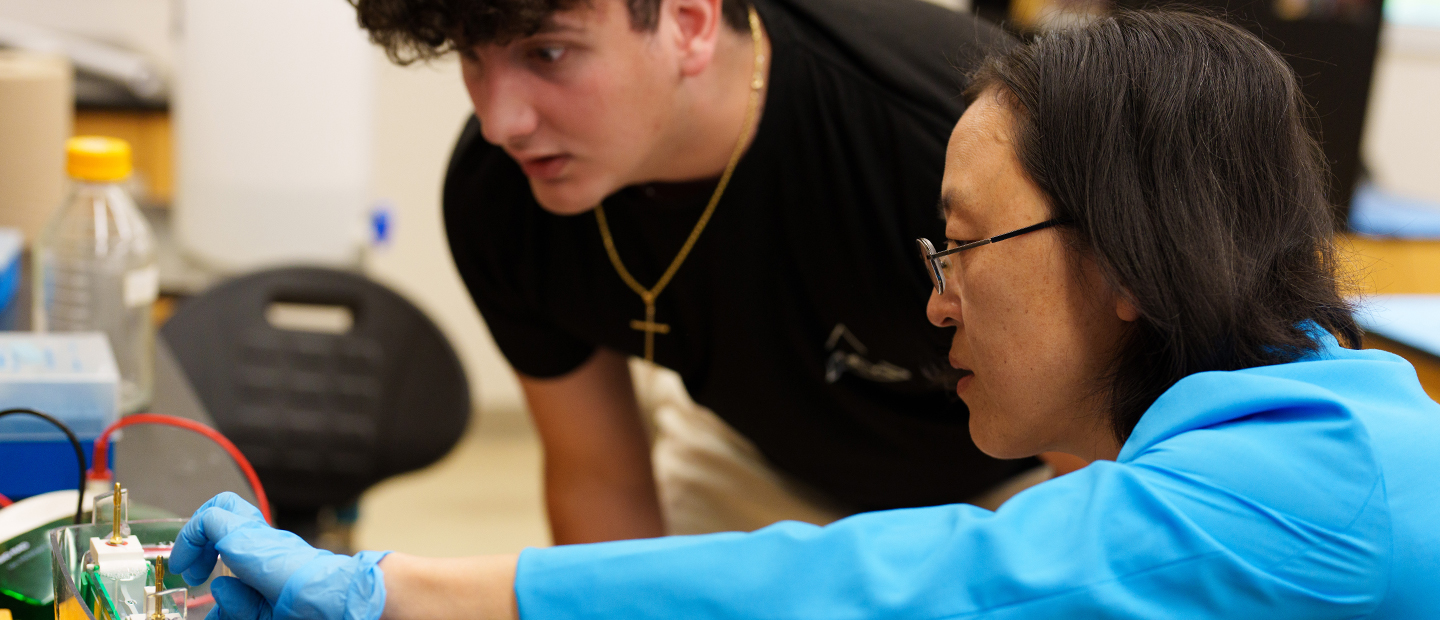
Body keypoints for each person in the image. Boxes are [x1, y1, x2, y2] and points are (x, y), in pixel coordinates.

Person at [171, 10, 1440, 619]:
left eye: (964, 246)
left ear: (1131, 260)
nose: (934, 296)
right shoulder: (1319, 412)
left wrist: (398, 591)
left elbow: (909, 577)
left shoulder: (1279, 499)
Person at [349, 0, 1061, 544]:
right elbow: (598, 478)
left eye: (549, 53)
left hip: (1020, 474)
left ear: (688, 21)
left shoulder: (946, 135)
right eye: (474, 59)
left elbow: (1093, 437)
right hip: (756, 461)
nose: (501, 121)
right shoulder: (497, 197)